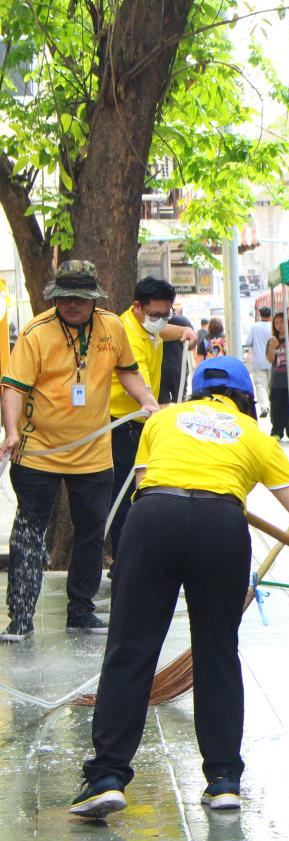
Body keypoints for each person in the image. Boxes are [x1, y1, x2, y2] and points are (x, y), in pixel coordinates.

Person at [69, 357, 289, 818]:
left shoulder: (164, 419)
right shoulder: (254, 436)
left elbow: (143, 482)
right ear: (244, 399)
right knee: (217, 651)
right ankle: (223, 781)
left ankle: (106, 777)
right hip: (221, 524)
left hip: (155, 516)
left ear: (196, 392)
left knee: (131, 648)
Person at [0, 261, 158, 642]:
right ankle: (20, 617)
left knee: (91, 531)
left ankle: (81, 611)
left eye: (80, 298)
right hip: (38, 451)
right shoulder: (36, 333)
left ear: (93, 299)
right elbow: (13, 388)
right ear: (56, 298)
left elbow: (128, 371)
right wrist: (10, 432)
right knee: (29, 531)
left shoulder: (112, 327)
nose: (72, 304)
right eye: (65, 297)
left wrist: (148, 400)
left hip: (93, 452)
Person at [107, 277, 197, 559]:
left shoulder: (147, 326)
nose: (160, 320)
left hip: (141, 421)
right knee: (124, 495)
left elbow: (160, 331)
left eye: (165, 314)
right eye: (155, 315)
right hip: (123, 422)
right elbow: (142, 389)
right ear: (137, 307)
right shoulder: (129, 336)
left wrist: (183, 331)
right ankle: (124, 560)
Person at [267, 311, 289, 440]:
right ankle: (277, 431)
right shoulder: (273, 340)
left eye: (281, 322)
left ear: (287, 323)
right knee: (277, 407)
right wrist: (272, 347)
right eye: (276, 323)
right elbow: (270, 360)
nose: (279, 325)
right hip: (277, 380)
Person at [157, 305, 195, 404]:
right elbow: (192, 345)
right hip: (179, 368)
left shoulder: (154, 322)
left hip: (160, 369)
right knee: (180, 402)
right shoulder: (183, 321)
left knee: (162, 404)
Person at [246, 306, 273, 416]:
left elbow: (248, 342)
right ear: (270, 315)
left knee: (260, 385)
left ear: (259, 314)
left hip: (258, 360)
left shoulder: (254, 327)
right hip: (272, 360)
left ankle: (264, 407)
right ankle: (272, 406)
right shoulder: (272, 326)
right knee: (271, 385)